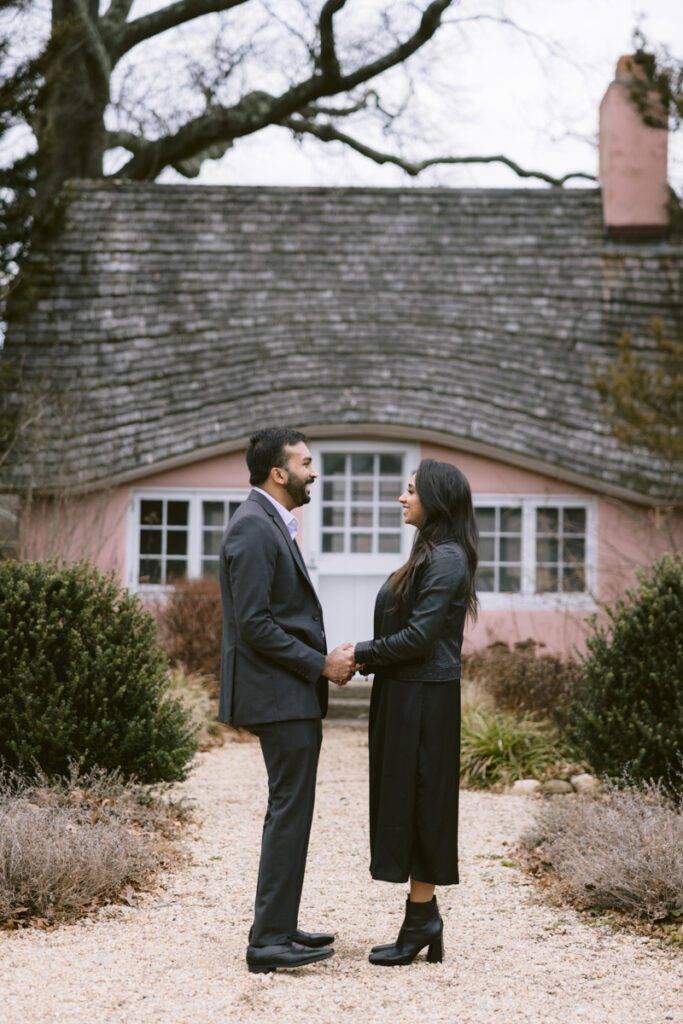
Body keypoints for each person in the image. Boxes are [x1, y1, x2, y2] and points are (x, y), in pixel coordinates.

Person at [218, 427, 355, 974]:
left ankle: (276, 925)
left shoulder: (270, 522)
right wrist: (319, 663)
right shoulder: (254, 527)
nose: (313, 471)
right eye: (305, 462)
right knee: (288, 810)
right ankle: (269, 941)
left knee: (291, 809)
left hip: (287, 694)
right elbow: (254, 625)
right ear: (279, 472)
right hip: (278, 695)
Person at [353, 458, 479, 967]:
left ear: (436, 500)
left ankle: (422, 919)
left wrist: (359, 654)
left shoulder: (447, 559)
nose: (402, 499)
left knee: (424, 803)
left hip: (426, 699)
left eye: (410, 491)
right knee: (407, 801)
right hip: (405, 693)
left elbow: (420, 638)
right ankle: (421, 917)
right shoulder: (429, 554)